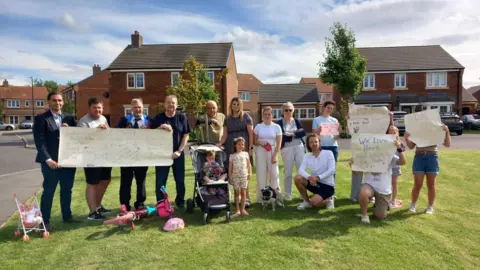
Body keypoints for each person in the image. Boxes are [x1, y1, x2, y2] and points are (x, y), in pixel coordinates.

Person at [33, 91, 78, 232]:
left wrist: (69, 130)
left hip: (67, 162)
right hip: (50, 163)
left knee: (67, 190)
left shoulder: (70, 118)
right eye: (54, 100)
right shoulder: (41, 119)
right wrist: (48, 159)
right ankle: (44, 221)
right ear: (48, 102)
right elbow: (40, 142)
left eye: (59, 100)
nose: (57, 103)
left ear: (63, 102)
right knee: (49, 191)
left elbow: (78, 136)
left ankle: (67, 216)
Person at [350, 138, 406, 224]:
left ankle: (381, 204)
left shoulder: (389, 155)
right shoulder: (366, 156)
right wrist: (353, 165)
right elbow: (356, 172)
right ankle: (364, 215)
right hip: (369, 185)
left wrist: (399, 149)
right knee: (363, 192)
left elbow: (402, 162)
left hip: (384, 189)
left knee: (380, 216)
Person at [150, 95, 191, 211]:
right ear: (164, 104)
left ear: (176, 105)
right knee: (160, 181)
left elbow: (186, 135)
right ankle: (161, 204)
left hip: (178, 154)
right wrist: (160, 127)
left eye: (173, 103)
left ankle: (180, 202)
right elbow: (150, 134)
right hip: (162, 155)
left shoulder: (182, 117)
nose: (171, 105)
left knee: (180, 180)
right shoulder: (158, 118)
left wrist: (179, 151)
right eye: (168, 102)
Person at [77, 97, 112, 220]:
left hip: (104, 156)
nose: (97, 110)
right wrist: (96, 132)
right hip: (91, 157)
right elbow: (82, 140)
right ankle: (92, 212)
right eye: (94, 108)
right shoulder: (83, 122)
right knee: (92, 183)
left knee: (105, 180)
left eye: (99, 108)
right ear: (89, 108)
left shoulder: (103, 118)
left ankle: (97, 206)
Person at [404, 124, 451, 215]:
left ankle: (430, 206)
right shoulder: (418, 130)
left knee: (431, 184)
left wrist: (447, 131)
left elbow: (447, 144)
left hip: (432, 156)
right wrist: (406, 138)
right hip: (419, 156)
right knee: (417, 184)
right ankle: (413, 205)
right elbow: (411, 146)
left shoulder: (437, 128)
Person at [217, 97, 254, 207]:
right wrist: (220, 144)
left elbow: (251, 134)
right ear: (231, 105)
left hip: (243, 147)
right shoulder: (227, 119)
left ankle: (246, 198)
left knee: (244, 172)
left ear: (240, 105)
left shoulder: (246, 117)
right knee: (233, 172)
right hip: (231, 148)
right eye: (234, 104)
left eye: (238, 104)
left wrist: (250, 148)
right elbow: (225, 135)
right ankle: (236, 198)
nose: (236, 106)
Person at [116, 98, 150, 211]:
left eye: (139, 107)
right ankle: (125, 204)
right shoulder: (124, 120)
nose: (137, 109)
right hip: (126, 155)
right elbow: (115, 134)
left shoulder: (149, 121)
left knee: (141, 181)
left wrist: (149, 131)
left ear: (142, 107)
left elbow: (156, 135)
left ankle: (140, 203)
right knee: (126, 180)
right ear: (131, 109)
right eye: (135, 107)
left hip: (142, 155)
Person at [312, 100, 341, 209]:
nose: (329, 110)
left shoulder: (334, 120)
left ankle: (331, 193)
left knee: (331, 170)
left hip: (333, 147)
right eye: (328, 107)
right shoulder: (316, 120)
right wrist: (318, 131)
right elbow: (313, 135)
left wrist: (339, 131)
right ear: (323, 107)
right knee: (321, 170)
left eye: (331, 108)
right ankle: (321, 192)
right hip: (322, 147)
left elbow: (336, 137)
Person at [294, 134, 336, 210]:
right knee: (298, 178)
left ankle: (329, 199)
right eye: (311, 142)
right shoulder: (307, 156)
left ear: (319, 143)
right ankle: (306, 202)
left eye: (316, 141)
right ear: (308, 144)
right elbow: (301, 170)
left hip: (327, 186)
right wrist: (310, 177)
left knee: (314, 202)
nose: (314, 144)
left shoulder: (328, 153)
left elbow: (332, 170)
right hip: (315, 184)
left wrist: (318, 178)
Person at [277, 102, 306, 201]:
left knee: (301, 171)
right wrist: (292, 134)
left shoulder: (297, 120)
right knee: (288, 172)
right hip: (287, 149)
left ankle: (302, 194)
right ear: (283, 111)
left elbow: (303, 132)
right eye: (286, 110)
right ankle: (288, 194)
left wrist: (292, 133)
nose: (288, 112)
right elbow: (282, 136)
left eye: (290, 110)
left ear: (293, 111)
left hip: (299, 147)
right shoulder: (280, 123)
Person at [254, 107, 282, 203]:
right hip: (261, 150)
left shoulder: (277, 127)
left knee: (274, 174)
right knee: (261, 173)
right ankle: (261, 198)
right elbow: (255, 141)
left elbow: (279, 143)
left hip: (272, 150)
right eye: (265, 114)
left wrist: (275, 155)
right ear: (263, 115)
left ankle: (276, 197)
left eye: (269, 114)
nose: (267, 116)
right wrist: (261, 142)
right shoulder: (258, 126)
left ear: (272, 115)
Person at [228, 137, 251, 215]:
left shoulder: (246, 154)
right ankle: (237, 209)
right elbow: (230, 167)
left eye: (242, 144)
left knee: (243, 192)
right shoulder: (232, 156)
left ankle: (243, 209)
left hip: (244, 175)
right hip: (235, 177)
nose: (241, 146)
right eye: (239, 144)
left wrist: (250, 173)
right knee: (237, 193)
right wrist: (230, 177)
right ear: (235, 145)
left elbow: (249, 165)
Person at [388, 125, 405, 209]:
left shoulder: (399, 143)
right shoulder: (386, 141)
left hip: (395, 166)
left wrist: (399, 143)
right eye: (390, 132)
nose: (392, 134)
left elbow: (403, 149)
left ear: (398, 134)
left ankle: (394, 200)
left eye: (394, 132)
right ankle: (388, 199)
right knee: (387, 183)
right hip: (387, 167)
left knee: (394, 183)